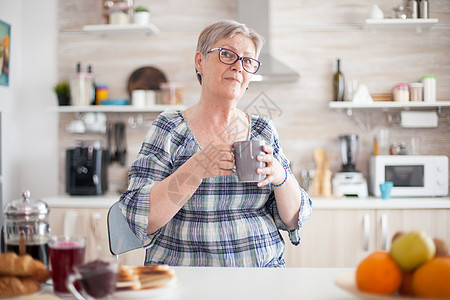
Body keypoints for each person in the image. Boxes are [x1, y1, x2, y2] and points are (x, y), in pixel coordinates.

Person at [119, 19, 312, 267]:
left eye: (248, 61)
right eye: (227, 54)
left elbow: (293, 220)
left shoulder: (263, 129)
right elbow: (140, 216)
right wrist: (196, 167)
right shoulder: (170, 127)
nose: (238, 67)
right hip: (186, 276)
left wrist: (280, 176)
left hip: (262, 274)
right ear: (200, 61)